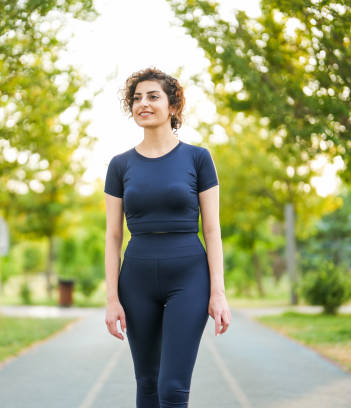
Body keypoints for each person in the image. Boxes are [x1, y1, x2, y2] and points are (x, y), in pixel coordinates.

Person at [103, 67, 232, 408]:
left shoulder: (198, 158)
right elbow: (113, 235)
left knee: (172, 387)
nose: (143, 104)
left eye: (153, 96)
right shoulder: (119, 165)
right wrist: (111, 298)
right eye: (136, 98)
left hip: (189, 277)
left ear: (173, 106)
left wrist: (218, 292)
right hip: (137, 279)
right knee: (146, 384)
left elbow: (213, 230)